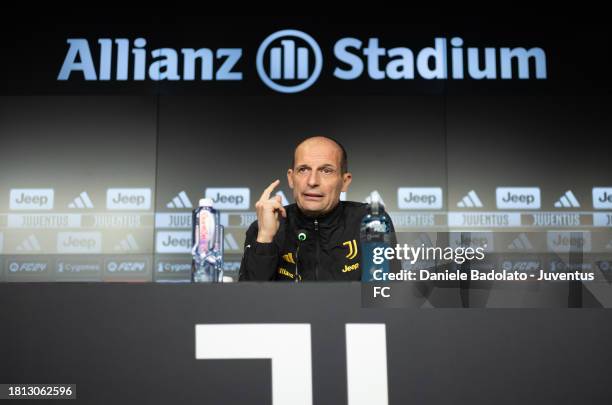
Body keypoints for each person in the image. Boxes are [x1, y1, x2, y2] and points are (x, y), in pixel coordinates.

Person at [238, 136, 397, 281]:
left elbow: (383, 298)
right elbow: (249, 303)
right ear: (291, 178)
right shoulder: (264, 228)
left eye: (326, 171)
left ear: (345, 181)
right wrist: (265, 239)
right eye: (303, 170)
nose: (312, 181)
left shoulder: (370, 222)